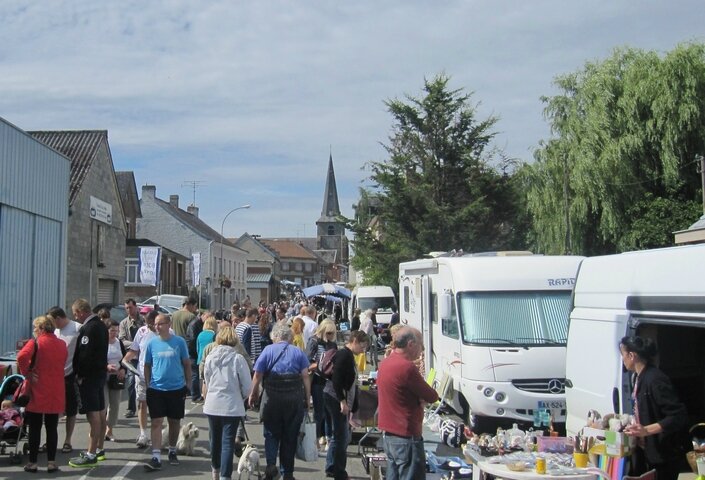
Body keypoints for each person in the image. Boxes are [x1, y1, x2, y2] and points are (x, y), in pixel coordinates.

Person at [620, 336, 689, 480]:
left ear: (632, 356)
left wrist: (646, 430)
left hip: (664, 455)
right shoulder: (638, 377)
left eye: (623, 355)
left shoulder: (655, 379)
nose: (622, 359)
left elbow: (677, 415)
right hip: (647, 452)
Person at [248, 323, 311, 480]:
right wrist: (307, 398)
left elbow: (257, 375)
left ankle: (270, 468)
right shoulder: (298, 352)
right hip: (293, 398)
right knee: (290, 436)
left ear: (275, 336)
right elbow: (305, 377)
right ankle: (287, 473)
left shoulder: (268, 350)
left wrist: (253, 393)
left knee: (271, 434)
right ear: (289, 337)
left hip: (272, 398)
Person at [377, 326, 438, 480]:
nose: (422, 350)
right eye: (420, 345)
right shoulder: (407, 367)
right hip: (406, 433)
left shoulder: (386, 362)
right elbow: (432, 396)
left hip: (389, 432)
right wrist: (419, 398)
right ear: (411, 344)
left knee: (393, 474)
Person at [17, 315, 68, 474]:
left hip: (38, 389)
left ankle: (33, 463)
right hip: (56, 389)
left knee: (35, 427)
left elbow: (21, 356)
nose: (34, 331)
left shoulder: (36, 342)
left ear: (41, 328)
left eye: (35, 328)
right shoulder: (61, 344)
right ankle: (51, 463)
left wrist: (27, 372)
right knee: (52, 428)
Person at [203, 326, 252, 480]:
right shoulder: (238, 359)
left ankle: (215, 472)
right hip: (231, 405)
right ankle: (225, 476)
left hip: (213, 404)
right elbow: (247, 385)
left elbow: (207, 380)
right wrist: (241, 396)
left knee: (214, 440)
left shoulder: (210, 357)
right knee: (227, 442)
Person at [143, 314, 191, 471]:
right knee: (156, 421)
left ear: (168, 324)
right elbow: (147, 365)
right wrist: (149, 383)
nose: (157, 327)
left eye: (160, 324)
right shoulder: (152, 343)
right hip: (156, 389)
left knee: (174, 422)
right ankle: (156, 455)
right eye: (155, 324)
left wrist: (188, 384)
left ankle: (172, 449)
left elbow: (186, 364)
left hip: (176, 389)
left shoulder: (179, 342)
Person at [323, 330, 369, 480]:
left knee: (339, 435)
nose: (363, 350)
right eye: (363, 346)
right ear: (355, 341)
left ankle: (331, 467)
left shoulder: (347, 355)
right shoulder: (344, 355)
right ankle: (339, 472)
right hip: (335, 397)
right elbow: (336, 379)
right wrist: (342, 401)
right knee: (341, 436)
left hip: (334, 396)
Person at [69, 299, 109, 468]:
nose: (75, 317)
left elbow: (85, 355)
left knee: (92, 414)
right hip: (100, 374)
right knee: (100, 411)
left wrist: (79, 374)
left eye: (75, 314)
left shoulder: (89, 328)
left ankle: (91, 453)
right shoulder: (101, 325)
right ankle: (99, 449)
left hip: (90, 377)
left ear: (80, 311)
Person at [122, 310, 160, 449]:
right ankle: (143, 433)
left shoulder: (168, 333)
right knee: (142, 403)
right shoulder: (142, 332)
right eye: (147, 323)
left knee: (158, 406)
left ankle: (158, 433)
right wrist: (126, 359)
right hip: (142, 374)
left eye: (152, 324)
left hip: (159, 376)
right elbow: (134, 350)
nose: (149, 326)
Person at [47, 306, 81, 455]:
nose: (53, 325)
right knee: (52, 409)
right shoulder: (54, 331)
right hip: (54, 376)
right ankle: (49, 440)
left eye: (52, 321)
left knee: (71, 409)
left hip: (70, 375)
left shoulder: (77, 328)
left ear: (58, 318)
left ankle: (68, 440)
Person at [306, 319, 337, 451]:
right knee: (319, 411)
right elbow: (307, 362)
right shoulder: (313, 341)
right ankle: (318, 437)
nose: (330, 335)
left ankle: (327, 436)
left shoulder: (332, 344)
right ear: (323, 330)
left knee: (329, 411)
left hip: (329, 380)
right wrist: (320, 365)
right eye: (328, 333)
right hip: (317, 380)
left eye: (332, 333)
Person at [119, 298, 144, 418]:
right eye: (127, 308)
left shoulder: (143, 321)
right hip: (132, 357)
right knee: (131, 382)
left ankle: (145, 405)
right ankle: (131, 408)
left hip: (144, 356)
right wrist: (135, 344)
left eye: (130, 307)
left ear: (136, 307)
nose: (129, 310)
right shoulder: (124, 323)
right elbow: (122, 340)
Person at [104, 320, 127, 441]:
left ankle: (110, 430)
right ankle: (100, 429)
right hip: (104, 377)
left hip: (116, 377)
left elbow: (124, 359)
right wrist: (106, 366)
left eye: (116, 331)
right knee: (104, 404)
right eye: (112, 330)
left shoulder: (119, 343)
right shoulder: (102, 343)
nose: (114, 333)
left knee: (115, 404)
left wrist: (123, 369)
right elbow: (97, 359)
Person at [185, 312, 205, 402]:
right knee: (195, 374)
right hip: (192, 353)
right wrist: (196, 352)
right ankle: (195, 395)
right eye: (207, 317)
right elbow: (192, 340)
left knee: (194, 374)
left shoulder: (198, 323)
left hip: (192, 352)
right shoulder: (195, 324)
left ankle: (193, 393)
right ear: (202, 315)